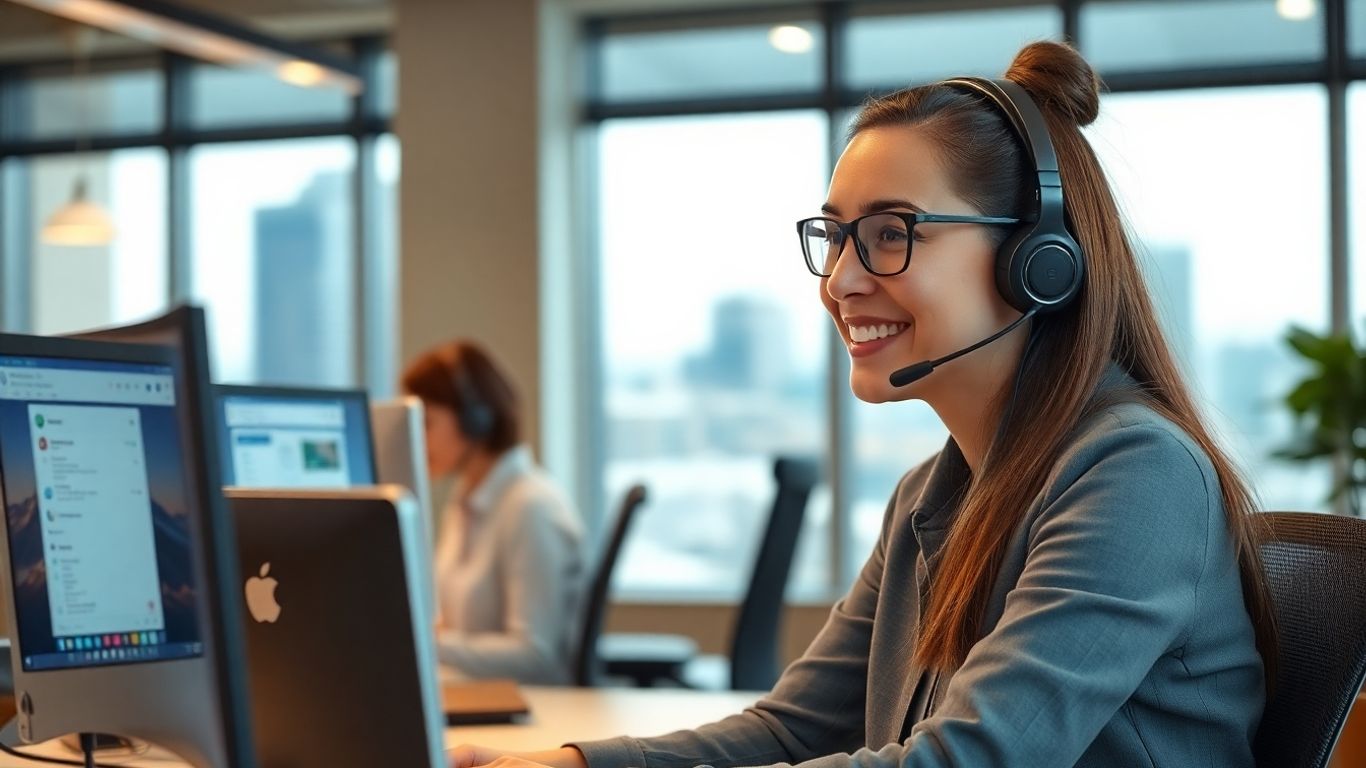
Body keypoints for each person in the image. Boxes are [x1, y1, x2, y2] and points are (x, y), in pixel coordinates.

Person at [452, 40, 1275, 767]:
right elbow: (793, 730)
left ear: (1039, 261)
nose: (840, 281)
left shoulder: (1137, 474)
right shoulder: (930, 496)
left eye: (890, 233)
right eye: (835, 235)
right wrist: (570, 764)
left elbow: (970, 761)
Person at [402, 339, 585, 685]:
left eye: (426, 423)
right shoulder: (465, 499)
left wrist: (424, 644)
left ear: (475, 420)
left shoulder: (530, 507)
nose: (416, 438)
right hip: (475, 691)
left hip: (537, 709)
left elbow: (536, 656)